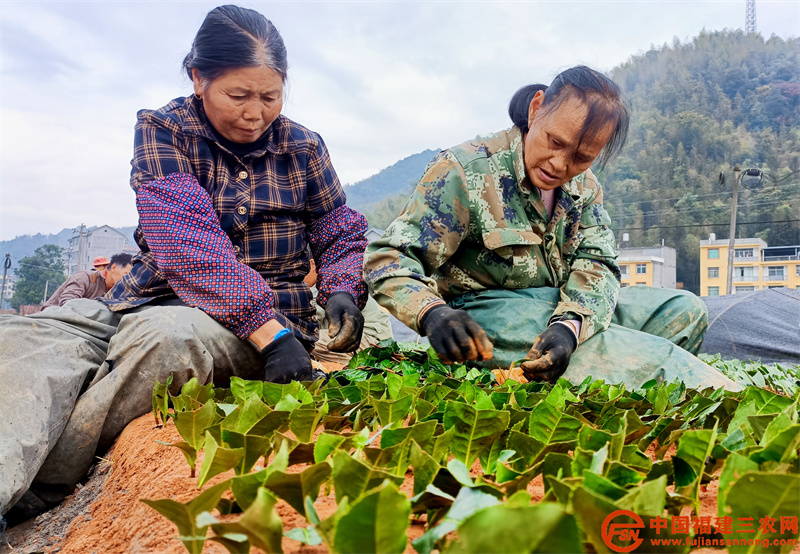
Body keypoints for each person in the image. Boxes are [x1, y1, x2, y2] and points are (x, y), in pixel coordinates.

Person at [0, 4, 368, 522]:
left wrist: (341, 288)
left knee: (164, 342)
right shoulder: (162, 129)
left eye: (270, 96)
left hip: (251, 325)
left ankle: (39, 488)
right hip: (150, 294)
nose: (255, 112)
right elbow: (183, 240)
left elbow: (338, 231)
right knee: (28, 340)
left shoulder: (305, 147)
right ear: (199, 78)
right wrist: (271, 334)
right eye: (237, 96)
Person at [364, 66, 739, 391]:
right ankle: (708, 389)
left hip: (558, 306)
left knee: (684, 309)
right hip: (488, 317)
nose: (559, 164)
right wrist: (432, 313)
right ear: (537, 108)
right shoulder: (464, 170)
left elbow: (598, 264)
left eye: (581, 156)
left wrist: (571, 326)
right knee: (656, 361)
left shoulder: (585, 187)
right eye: (554, 142)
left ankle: (584, 369)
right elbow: (389, 258)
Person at [304, 258, 393, 365]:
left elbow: (305, 324)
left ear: (312, 264)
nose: (294, 275)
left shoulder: (326, 284)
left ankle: (351, 365)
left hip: (372, 341)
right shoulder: (335, 277)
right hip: (367, 340)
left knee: (301, 339)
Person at [42, 253, 133, 307]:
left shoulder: (121, 293)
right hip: (52, 320)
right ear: (113, 268)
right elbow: (66, 302)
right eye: (127, 274)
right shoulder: (84, 277)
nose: (129, 279)